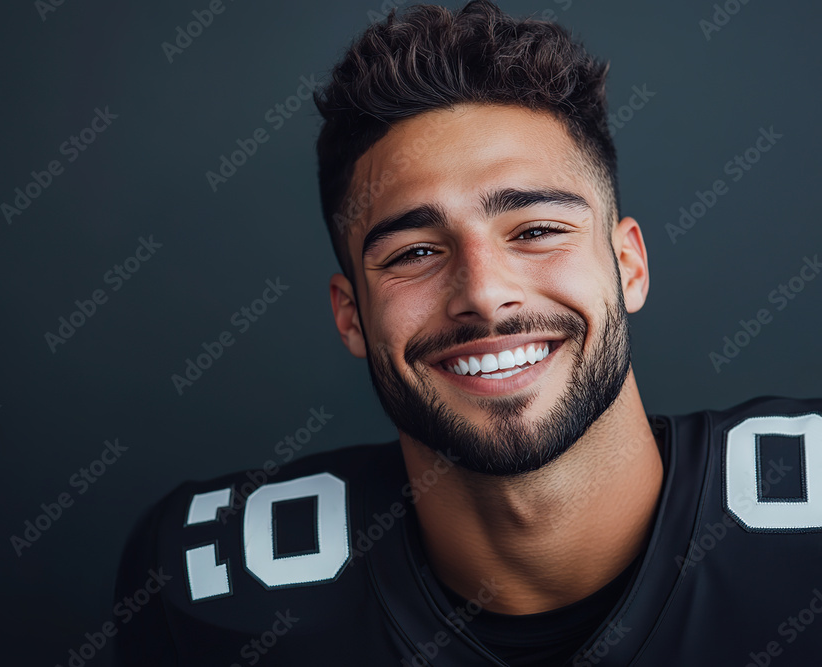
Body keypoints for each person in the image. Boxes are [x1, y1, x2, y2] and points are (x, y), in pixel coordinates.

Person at [112, 2, 822, 665]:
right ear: (351, 315)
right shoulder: (209, 584)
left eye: (538, 230)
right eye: (415, 252)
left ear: (629, 264)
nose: (483, 295)